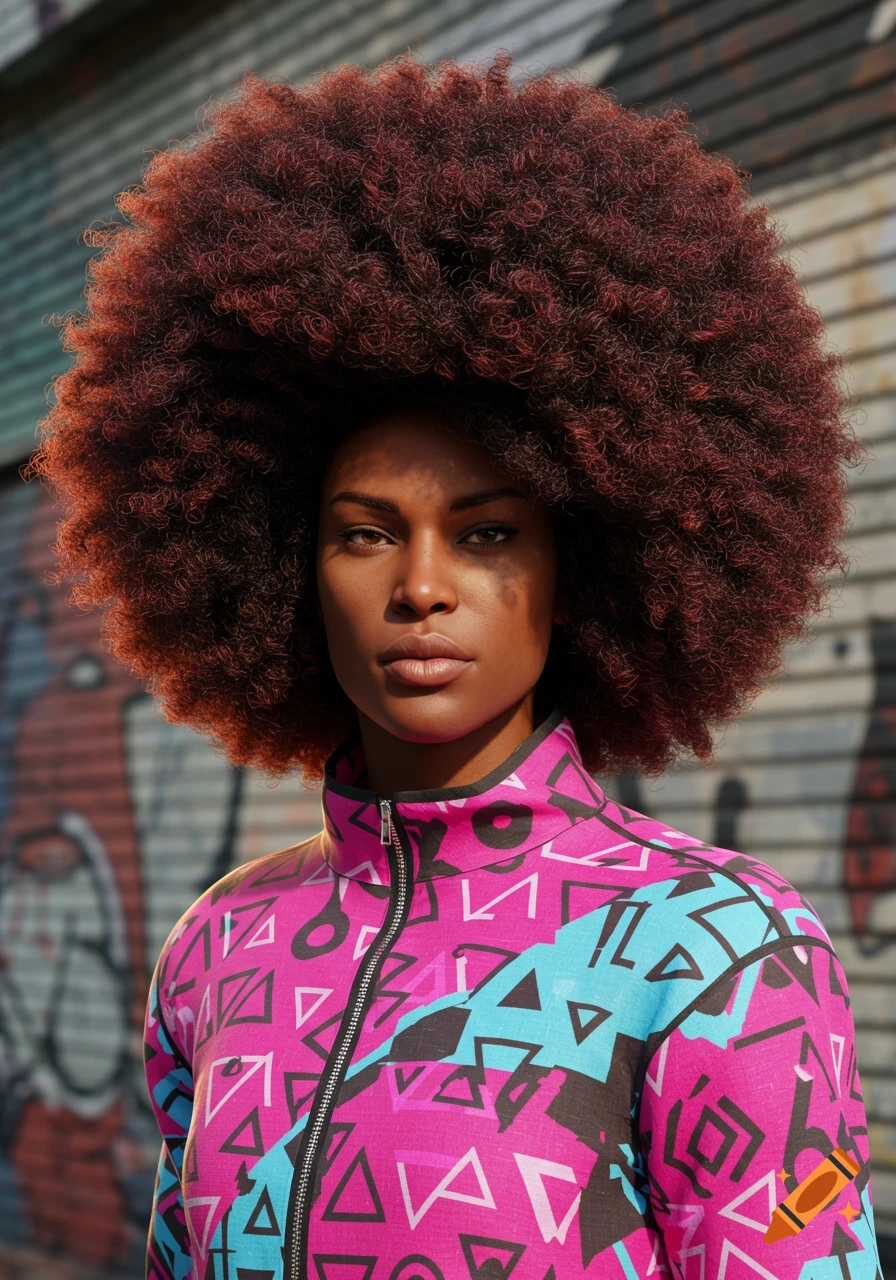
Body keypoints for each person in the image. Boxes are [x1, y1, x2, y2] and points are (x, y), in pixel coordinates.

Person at [25, 49, 882, 1280]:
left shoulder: (720, 951)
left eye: (485, 534)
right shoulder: (219, 945)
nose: (419, 585)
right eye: (364, 532)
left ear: (572, 566)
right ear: (279, 562)